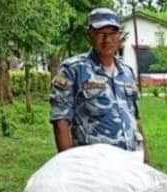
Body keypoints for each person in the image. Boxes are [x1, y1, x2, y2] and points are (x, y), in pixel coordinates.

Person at [49, 8, 148, 162]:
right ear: (89, 35)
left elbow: (135, 118)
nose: (107, 39)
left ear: (119, 35)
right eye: (100, 33)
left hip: (130, 162)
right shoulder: (73, 70)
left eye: (112, 33)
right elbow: (60, 120)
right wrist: (67, 166)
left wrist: (146, 161)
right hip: (93, 165)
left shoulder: (127, 72)